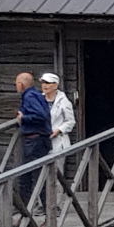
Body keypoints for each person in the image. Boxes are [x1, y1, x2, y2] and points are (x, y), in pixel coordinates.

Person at [15, 72, 51, 210]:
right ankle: (28, 212)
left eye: (16, 83)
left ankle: (43, 213)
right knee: (31, 177)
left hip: (34, 140)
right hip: (38, 140)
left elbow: (40, 115)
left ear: (21, 84)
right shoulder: (36, 95)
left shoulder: (29, 96)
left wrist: (23, 119)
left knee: (31, 177)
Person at [40, 72, 76, 153]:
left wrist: (59, 130)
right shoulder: (38, 100)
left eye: (48, 83)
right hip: (41, 141)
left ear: (55, 85)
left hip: (57, 142)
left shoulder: (64, 102)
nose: (44, 85)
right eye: (43, 82)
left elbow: (70, 121)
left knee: (56, 165)